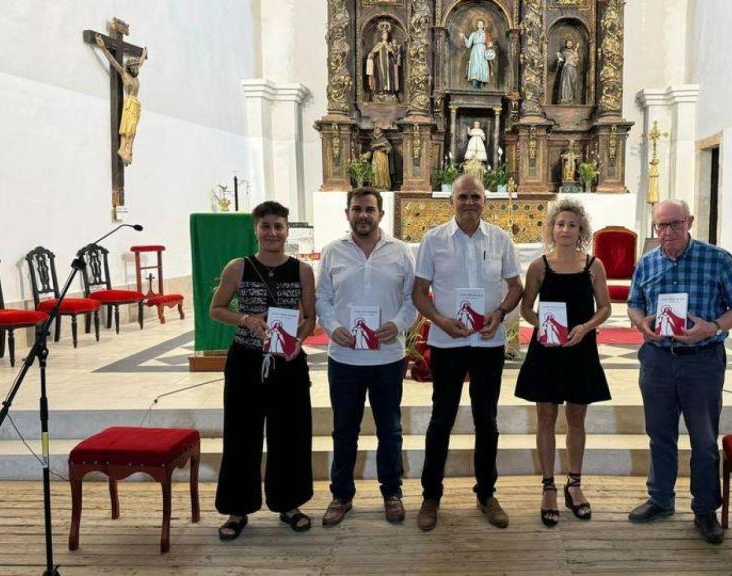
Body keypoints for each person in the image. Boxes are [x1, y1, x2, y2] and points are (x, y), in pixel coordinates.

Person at [625, 199, 732, 544]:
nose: (667, 232)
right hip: (658, 360)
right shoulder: (647, 262)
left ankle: (705, 509)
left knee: (704, 439)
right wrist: (641, 323)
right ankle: (660, 499)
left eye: (675, 224)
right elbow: (634, 303)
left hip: (702, 360)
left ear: (690, 222)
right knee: (660, 433)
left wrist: (712, 326)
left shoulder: (718, 259)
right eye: (661, 226)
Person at [413, 175, 523, 531]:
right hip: (448, 343)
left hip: (488, 344)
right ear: (452, 201)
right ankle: (431, 496)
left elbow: (515, 287)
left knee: (486, 420)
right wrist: (440, 321)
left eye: (476, 196)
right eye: (463, 196)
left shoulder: (501, 239)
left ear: (485, 201)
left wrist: (500, 313)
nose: (469, 202)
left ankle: (486, 494)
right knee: (441, 419)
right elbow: (419, 292)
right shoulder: (433, 240)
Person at [209, 201, 317, 541]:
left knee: (290, 435)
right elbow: (216, 309)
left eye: (278, 226)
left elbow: (310, 317)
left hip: (287, 362)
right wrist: (245, 319)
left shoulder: (302, 270)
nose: (272, 232)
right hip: (246, 361)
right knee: (241, 435)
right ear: (255, 229)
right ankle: (237, 509)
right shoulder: (238, 267)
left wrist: (298, 340)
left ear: (287, 230)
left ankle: (289, 504)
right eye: (266, 226)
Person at [315, 187, 417, 526]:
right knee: (344, 430)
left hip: (388, 357)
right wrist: (333, 328)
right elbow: (322, 298)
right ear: (347, 213)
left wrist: (398, 324)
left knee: (390, 429)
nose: (363, 215)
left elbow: (413, 298)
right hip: (344, 357)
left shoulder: (401, 251)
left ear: (381, 215)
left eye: (369, 209)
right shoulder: (332, 251)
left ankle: (392, 493)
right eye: (357, 209)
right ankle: (341, 495)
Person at [514, 199, 611, 527]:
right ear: (551, 229)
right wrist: (543, 325)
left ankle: (575, 484)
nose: (566, 229)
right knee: (545, 418)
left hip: (581, 349)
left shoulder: (593, 265)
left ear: (581, 230)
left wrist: (585, 327)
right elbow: (526, 308)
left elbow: (605, 308)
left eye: (572, 224)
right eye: (560, 224)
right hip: (548, 349)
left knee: (576, 419)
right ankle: (548, 487)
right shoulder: (539, 266)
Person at [93, 34, 147, 165]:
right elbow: (113, 61)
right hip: (129, 104)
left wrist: (144, 54)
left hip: (136, 105)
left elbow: (140, 62)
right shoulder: (125, 74)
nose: (137, 68)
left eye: (137, 66)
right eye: (135, 66)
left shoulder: (135, 76)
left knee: (133, 131)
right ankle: (123, 148)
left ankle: (128, 150)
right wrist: (103, 47)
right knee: (128, 128)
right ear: (130, 67)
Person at [366, 23, 401, 100]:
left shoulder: (390, 45)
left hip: (388, 64)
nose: (385, 36)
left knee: (389, 76)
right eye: (384, 34)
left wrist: (394, 50)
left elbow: (394, 55)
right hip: (379, 63)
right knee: (380, 75)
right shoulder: (379, 44)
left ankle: (389, 91)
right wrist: (370, 56)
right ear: (381, 36)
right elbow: (372, 52)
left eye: (386, 35)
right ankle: (380, 90)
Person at [459, 19, 492, 89]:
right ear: (477, 25)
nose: (480, 25)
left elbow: (489, 46)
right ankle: (474, 83)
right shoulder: (473, 34)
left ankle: (482, 83)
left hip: (483, 51)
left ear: (483, 25)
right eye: (479, 24)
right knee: (475, 66)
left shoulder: (486, 34)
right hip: (475, 52)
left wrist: (489, 52)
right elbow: (468, 45)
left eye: (481, 24)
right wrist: (464, 37)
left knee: (483, 65)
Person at [555, 39, 580, 104]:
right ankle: (565, 99)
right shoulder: (564, 52)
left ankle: (572, 99)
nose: (569, 44)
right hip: (566, 69)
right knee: (566, 84)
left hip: (573, 69)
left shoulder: (574, 52)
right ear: (566, 44)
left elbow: (577, 61)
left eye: (570, 43)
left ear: (572, 44)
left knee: (572, 84)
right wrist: (559, 59)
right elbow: (561, 61)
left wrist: (575, 56)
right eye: (568, 43)